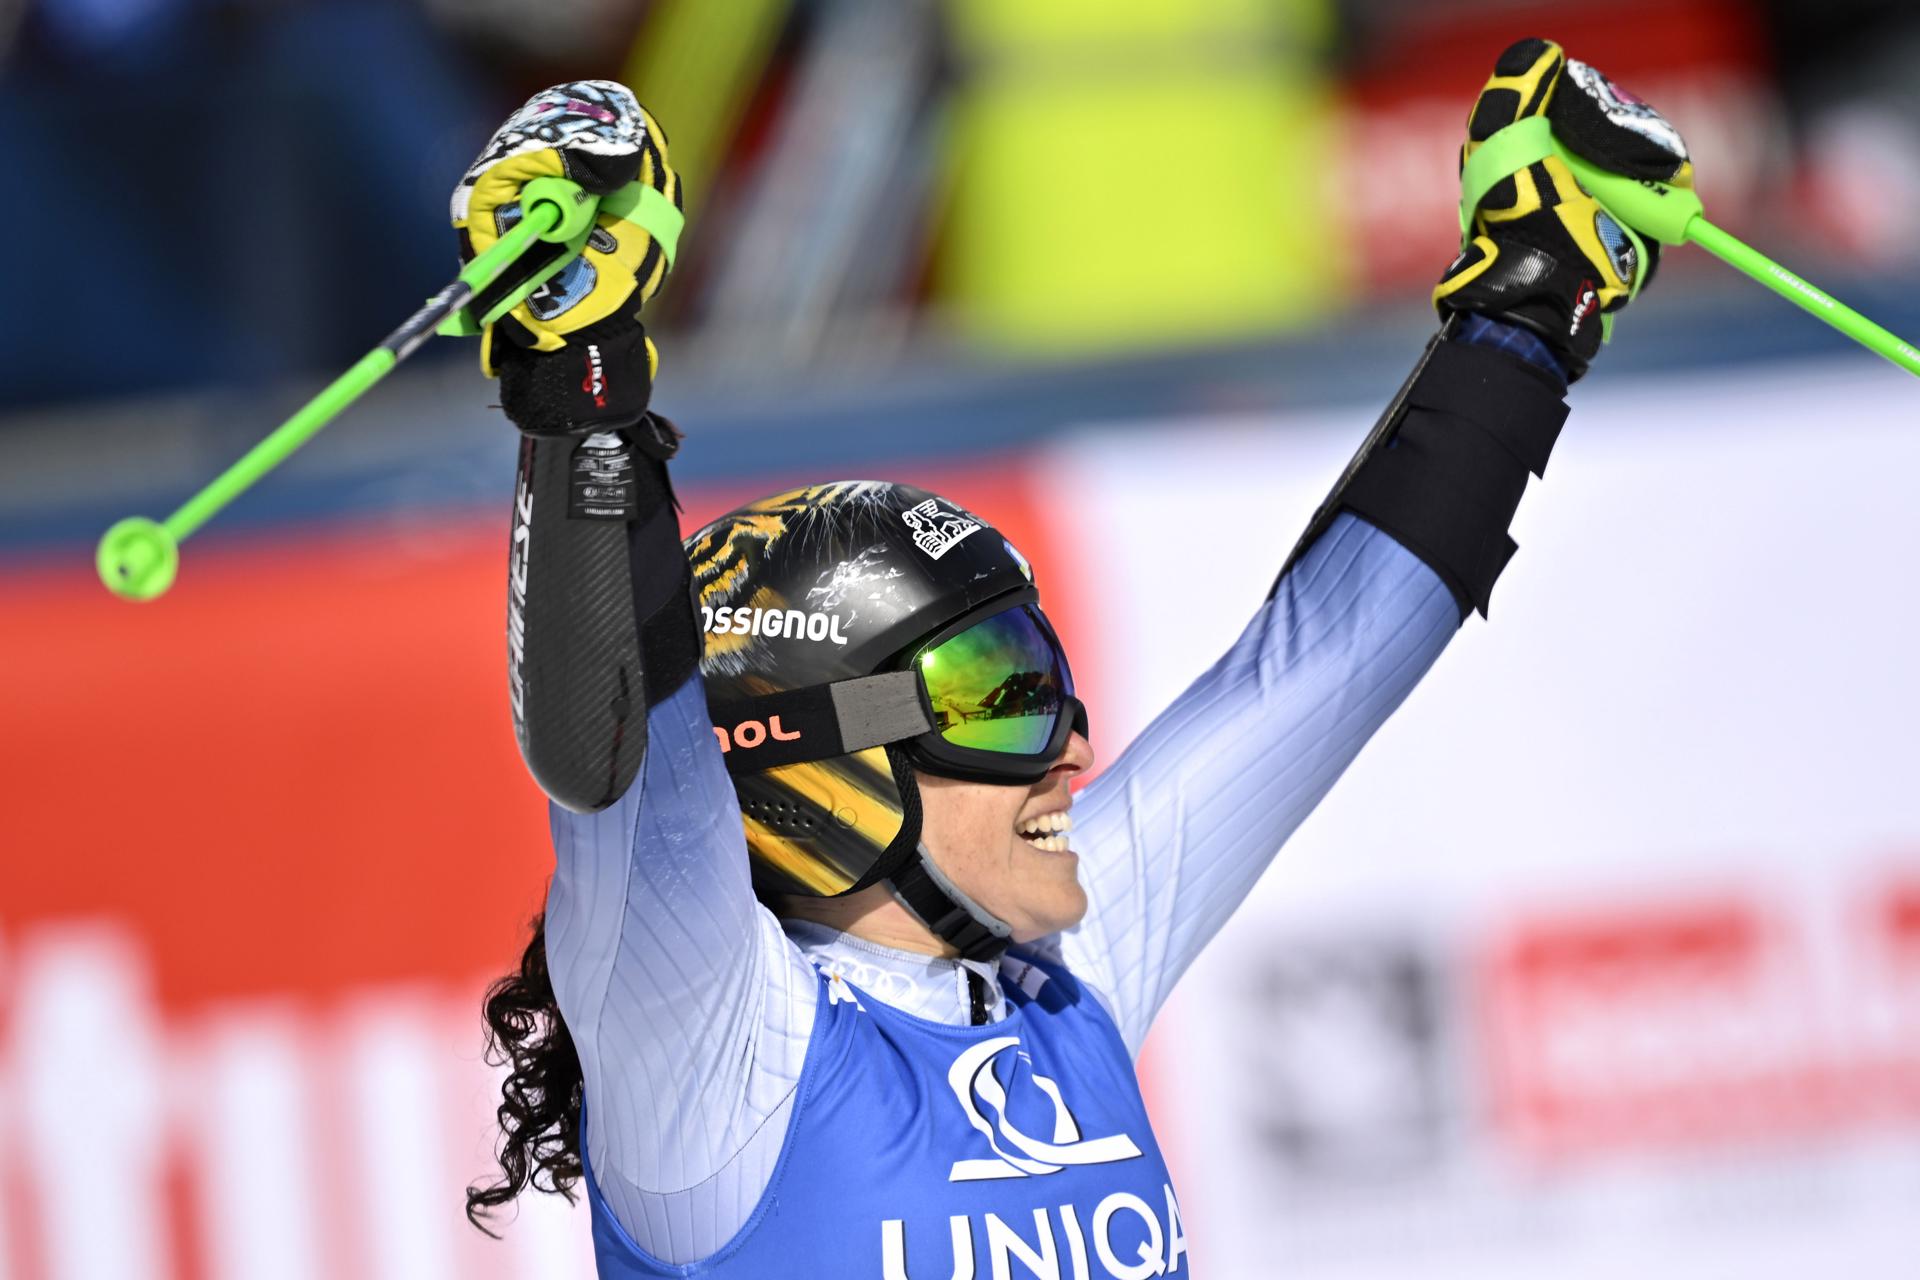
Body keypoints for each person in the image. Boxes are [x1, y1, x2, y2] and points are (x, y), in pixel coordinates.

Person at [458, 42, 1691, 1278]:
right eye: (1000, 698)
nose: (1073, 748)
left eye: (1042, 678)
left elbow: (1323, 660)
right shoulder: (711, 1050)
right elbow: (621, 747)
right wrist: (580, 377)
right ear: (813, 754)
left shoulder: (1057, 974)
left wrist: (1532, 302)